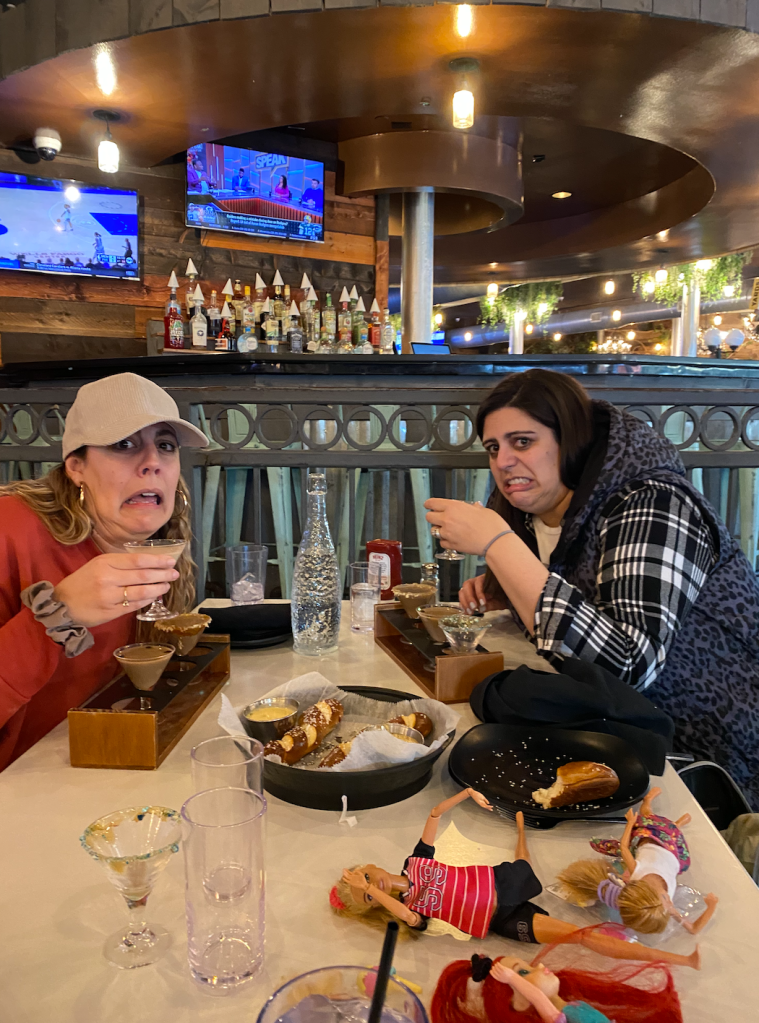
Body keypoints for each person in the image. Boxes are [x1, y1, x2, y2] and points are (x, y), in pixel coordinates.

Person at [425, 369, 759, 806]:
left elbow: (627, 666)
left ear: (572, 440)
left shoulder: (653, 503)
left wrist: (500, 546)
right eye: (493, 447)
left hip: (703, 760)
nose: (503, 461)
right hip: (610, 737)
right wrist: (507, 587)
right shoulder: (533, 509)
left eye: (522, 442)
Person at [0, 372, 209, 770]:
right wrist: (56, 615)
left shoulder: (161, 544)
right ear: (76, 466)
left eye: (165, 445)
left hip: (106, 762)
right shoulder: (9, 529)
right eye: (123, 444)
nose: (152, 463)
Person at [331, 790, 700, 970]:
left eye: (367, 878)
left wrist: (468, 793)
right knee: (579, 936)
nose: (372, 887)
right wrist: (370, 892)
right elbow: (406, 915)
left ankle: (521, 828)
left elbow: (433, 813)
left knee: (523, 862)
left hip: (499, 881)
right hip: (499, 919)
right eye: (367, 896)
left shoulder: (416, 861)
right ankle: (677, 959)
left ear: (374, 865)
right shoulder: (412, 910)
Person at [558, 787, 718, 935]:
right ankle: (676, 825)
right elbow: (693, 929)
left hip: (650, 839)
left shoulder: (638, 872)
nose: (669, 902)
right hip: (672, 852)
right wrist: (711, 906)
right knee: (669, 831)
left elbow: (624, 848)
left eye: (665, 900)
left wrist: (630, 823)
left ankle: (648, 801)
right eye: (666, 904)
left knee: (647, 817)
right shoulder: (663, 906)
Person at [431, 953, 683, 1023]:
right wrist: (511, 978)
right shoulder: (559, 1017)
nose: (541, 965)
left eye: (528, 966)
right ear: (520, 1003)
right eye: (525, 972)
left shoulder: (572, 1006)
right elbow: (539, 999)